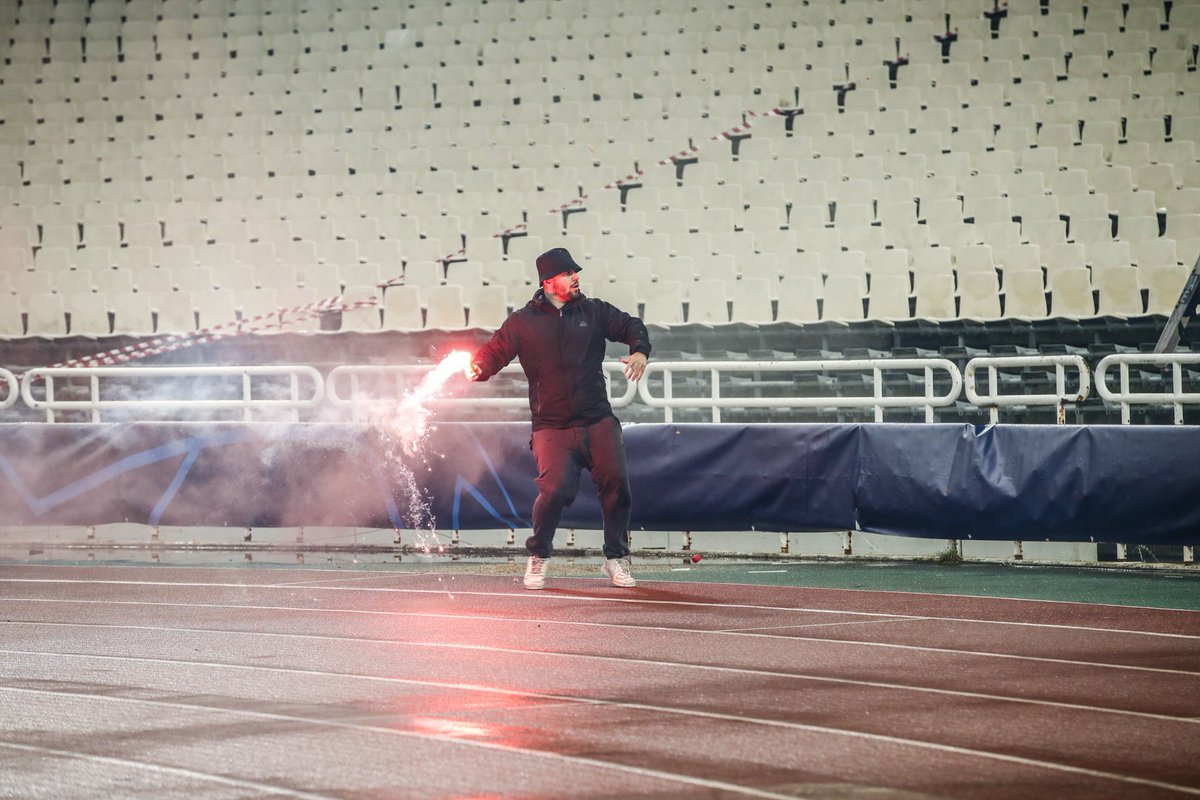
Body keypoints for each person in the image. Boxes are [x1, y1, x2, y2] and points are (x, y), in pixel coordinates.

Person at [468, 247, 651, 590]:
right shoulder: (522, 321)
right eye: (568, 273)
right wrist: (479, 367)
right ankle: (539, 555)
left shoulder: (594, 310)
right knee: (553, 491)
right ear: (548, 282)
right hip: (550, 425)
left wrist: (639, 350)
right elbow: (495, 351)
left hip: (597, 418)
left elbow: (631, 325)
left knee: (617, 486)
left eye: (575, 271)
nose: (576, 277)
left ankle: (615, 558)